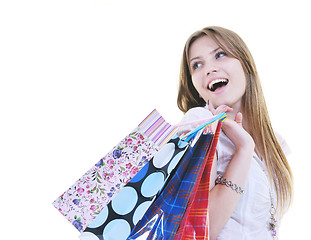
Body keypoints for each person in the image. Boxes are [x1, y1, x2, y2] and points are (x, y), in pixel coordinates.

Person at [177, 26, 293, 240]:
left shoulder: (275, 142)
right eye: (197, 65)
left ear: (245, 63)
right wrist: (243, 150)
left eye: (220, 55)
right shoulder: (199, 124)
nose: (209, 69)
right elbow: (200, 230)